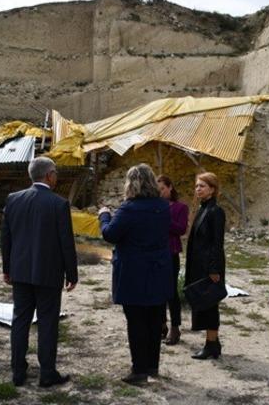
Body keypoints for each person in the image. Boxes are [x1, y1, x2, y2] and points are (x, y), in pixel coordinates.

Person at [1, 157, 79, 388]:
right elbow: (66, 243)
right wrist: (72, 274)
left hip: (20, 271)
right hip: (49, 273)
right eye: (55, 173)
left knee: (20, 320)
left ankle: (18, 371)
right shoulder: (59, 204)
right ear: (49, 175)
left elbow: (6, 238)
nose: (56, 177)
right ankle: (47, 372)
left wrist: (7, 268)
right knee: (47, 323)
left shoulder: (13, 199)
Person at [98, 164, 172, 385]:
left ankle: (139, 370)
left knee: (137, 321)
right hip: (158, 268)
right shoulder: (163, 206)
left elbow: (110, 234)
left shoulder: (129, 209)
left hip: (134, 271)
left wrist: (104, 216)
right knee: (154, 320)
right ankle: (152, 366)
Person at [184, 172, 226, 360]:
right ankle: (214, 343)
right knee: (204, 303)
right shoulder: (203, 208)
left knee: (210, 304)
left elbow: (217, 243)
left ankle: (211, 344)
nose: (198, 189)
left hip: (209, 267)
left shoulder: (216, 211)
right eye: (196, 186)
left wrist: (214, 269)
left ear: (212, 189)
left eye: (202, 186)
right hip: (199, 265)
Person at [157, 175, 188, 346]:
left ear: (170, 187)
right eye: (158, 190)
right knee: (157, 290)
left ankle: (175, 327)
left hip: (171, 253)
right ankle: (161, 324)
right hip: (155, 253)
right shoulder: (154, 206)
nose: (160, 192)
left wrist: (165, 218)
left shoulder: (180, 207)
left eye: (162, 188)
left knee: (171, 291)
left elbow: (181, 229)